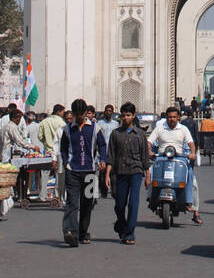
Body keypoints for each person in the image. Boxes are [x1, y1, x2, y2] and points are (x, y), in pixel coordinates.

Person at [59, 99, 106, 247]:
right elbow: (63, 148)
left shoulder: (95, 128)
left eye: (82, 114)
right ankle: (71, 233)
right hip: (72, 171)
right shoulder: (67, 129)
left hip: (90, 171)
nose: (79, 117)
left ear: (86, 113)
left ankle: (83, 232)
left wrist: (102, 159)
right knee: (72, 202)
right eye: (76, 114)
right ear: (72, 113)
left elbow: (102, 145)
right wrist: (66, 162)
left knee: (87, 203)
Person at [107, 103, 151, 245]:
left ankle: (130, 233)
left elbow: (145, 157)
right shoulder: (115, 134)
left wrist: (147, 175)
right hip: (120, 172)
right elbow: (111, 156)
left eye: (128, 115)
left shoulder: (140, 134)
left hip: (136, 171)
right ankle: (121, 224)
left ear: (133, 116)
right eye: (124, 115)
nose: (126, 118)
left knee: (133, 203)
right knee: (120, 204)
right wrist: (107, 175)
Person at [149, 107, 198, 216]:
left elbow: (191, 143)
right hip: (162, 156)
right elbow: (149, 141)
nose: (172, 119)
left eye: (174, 117)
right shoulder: (160, 128)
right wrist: (149, 151)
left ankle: (188, 201)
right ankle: (150, 196)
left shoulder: (183, 129)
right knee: (152, 171)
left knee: (189, 172)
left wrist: (193, 153)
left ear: (178, 117)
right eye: (170, 117)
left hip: (179, 157)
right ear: (166, 117)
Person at [94, 105, 119, 199]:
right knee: (103, 171)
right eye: (107, 110)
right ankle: (103, 191)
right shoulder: (100, 123)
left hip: (112, 150)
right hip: (103, 150)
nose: (108, 112)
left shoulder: (115, 124)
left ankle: (114, 190)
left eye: (110, 111)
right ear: (104, 112)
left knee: (113, 171)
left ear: (112, 112)